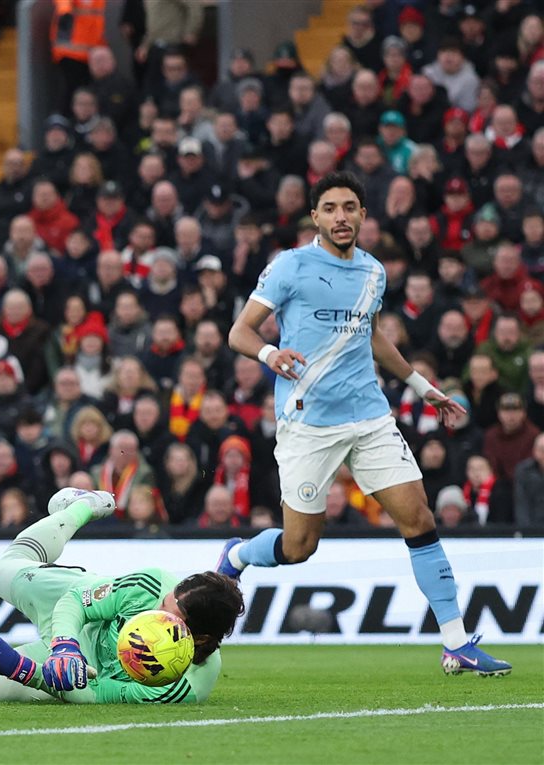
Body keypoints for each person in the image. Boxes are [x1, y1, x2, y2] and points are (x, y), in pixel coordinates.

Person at [219, 171, 511, 677]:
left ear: (363, 215)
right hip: (308, 423)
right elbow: (239, 332)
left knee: (418, 517)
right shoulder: (289, 266)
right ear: (315, 216)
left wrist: (421, 387)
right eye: (330, 208)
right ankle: (240, 554)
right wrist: (270, 353)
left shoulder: (374, 272)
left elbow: (373, 338)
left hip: (369, 415)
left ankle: (456, 643)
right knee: (299, 546)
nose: (341, 217)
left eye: (350, 207)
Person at [0, 488, 243, 704]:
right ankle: (80, 508)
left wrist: (21, 669)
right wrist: (65, 645)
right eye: (168, 599)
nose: (160, 608)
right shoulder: (150, 586)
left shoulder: (180, 686)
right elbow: (76, 604)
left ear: (202, 637)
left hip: (82, 669)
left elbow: (93, 697)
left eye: (173, 612)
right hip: (76, 611)